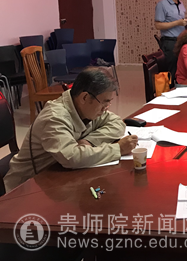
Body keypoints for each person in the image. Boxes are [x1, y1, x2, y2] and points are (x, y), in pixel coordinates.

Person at [3, 68, 138, 193]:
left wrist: (89, 141)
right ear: (85, 97)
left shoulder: (84, 107)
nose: (106, 108)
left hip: (58, 175)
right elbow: (72, 158)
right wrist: (118, 149)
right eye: (104, 102)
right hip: (26, 187)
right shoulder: (54, 117)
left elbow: (117, 123)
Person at [155, 0, 187, 80]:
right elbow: (158, 25)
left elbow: (180, 21)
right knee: (171, 70)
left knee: (181, 69)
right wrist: (177, 23)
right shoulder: (162, 4)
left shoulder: (181, 3)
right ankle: (170, 89)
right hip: (169, 42)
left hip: (181, 40)